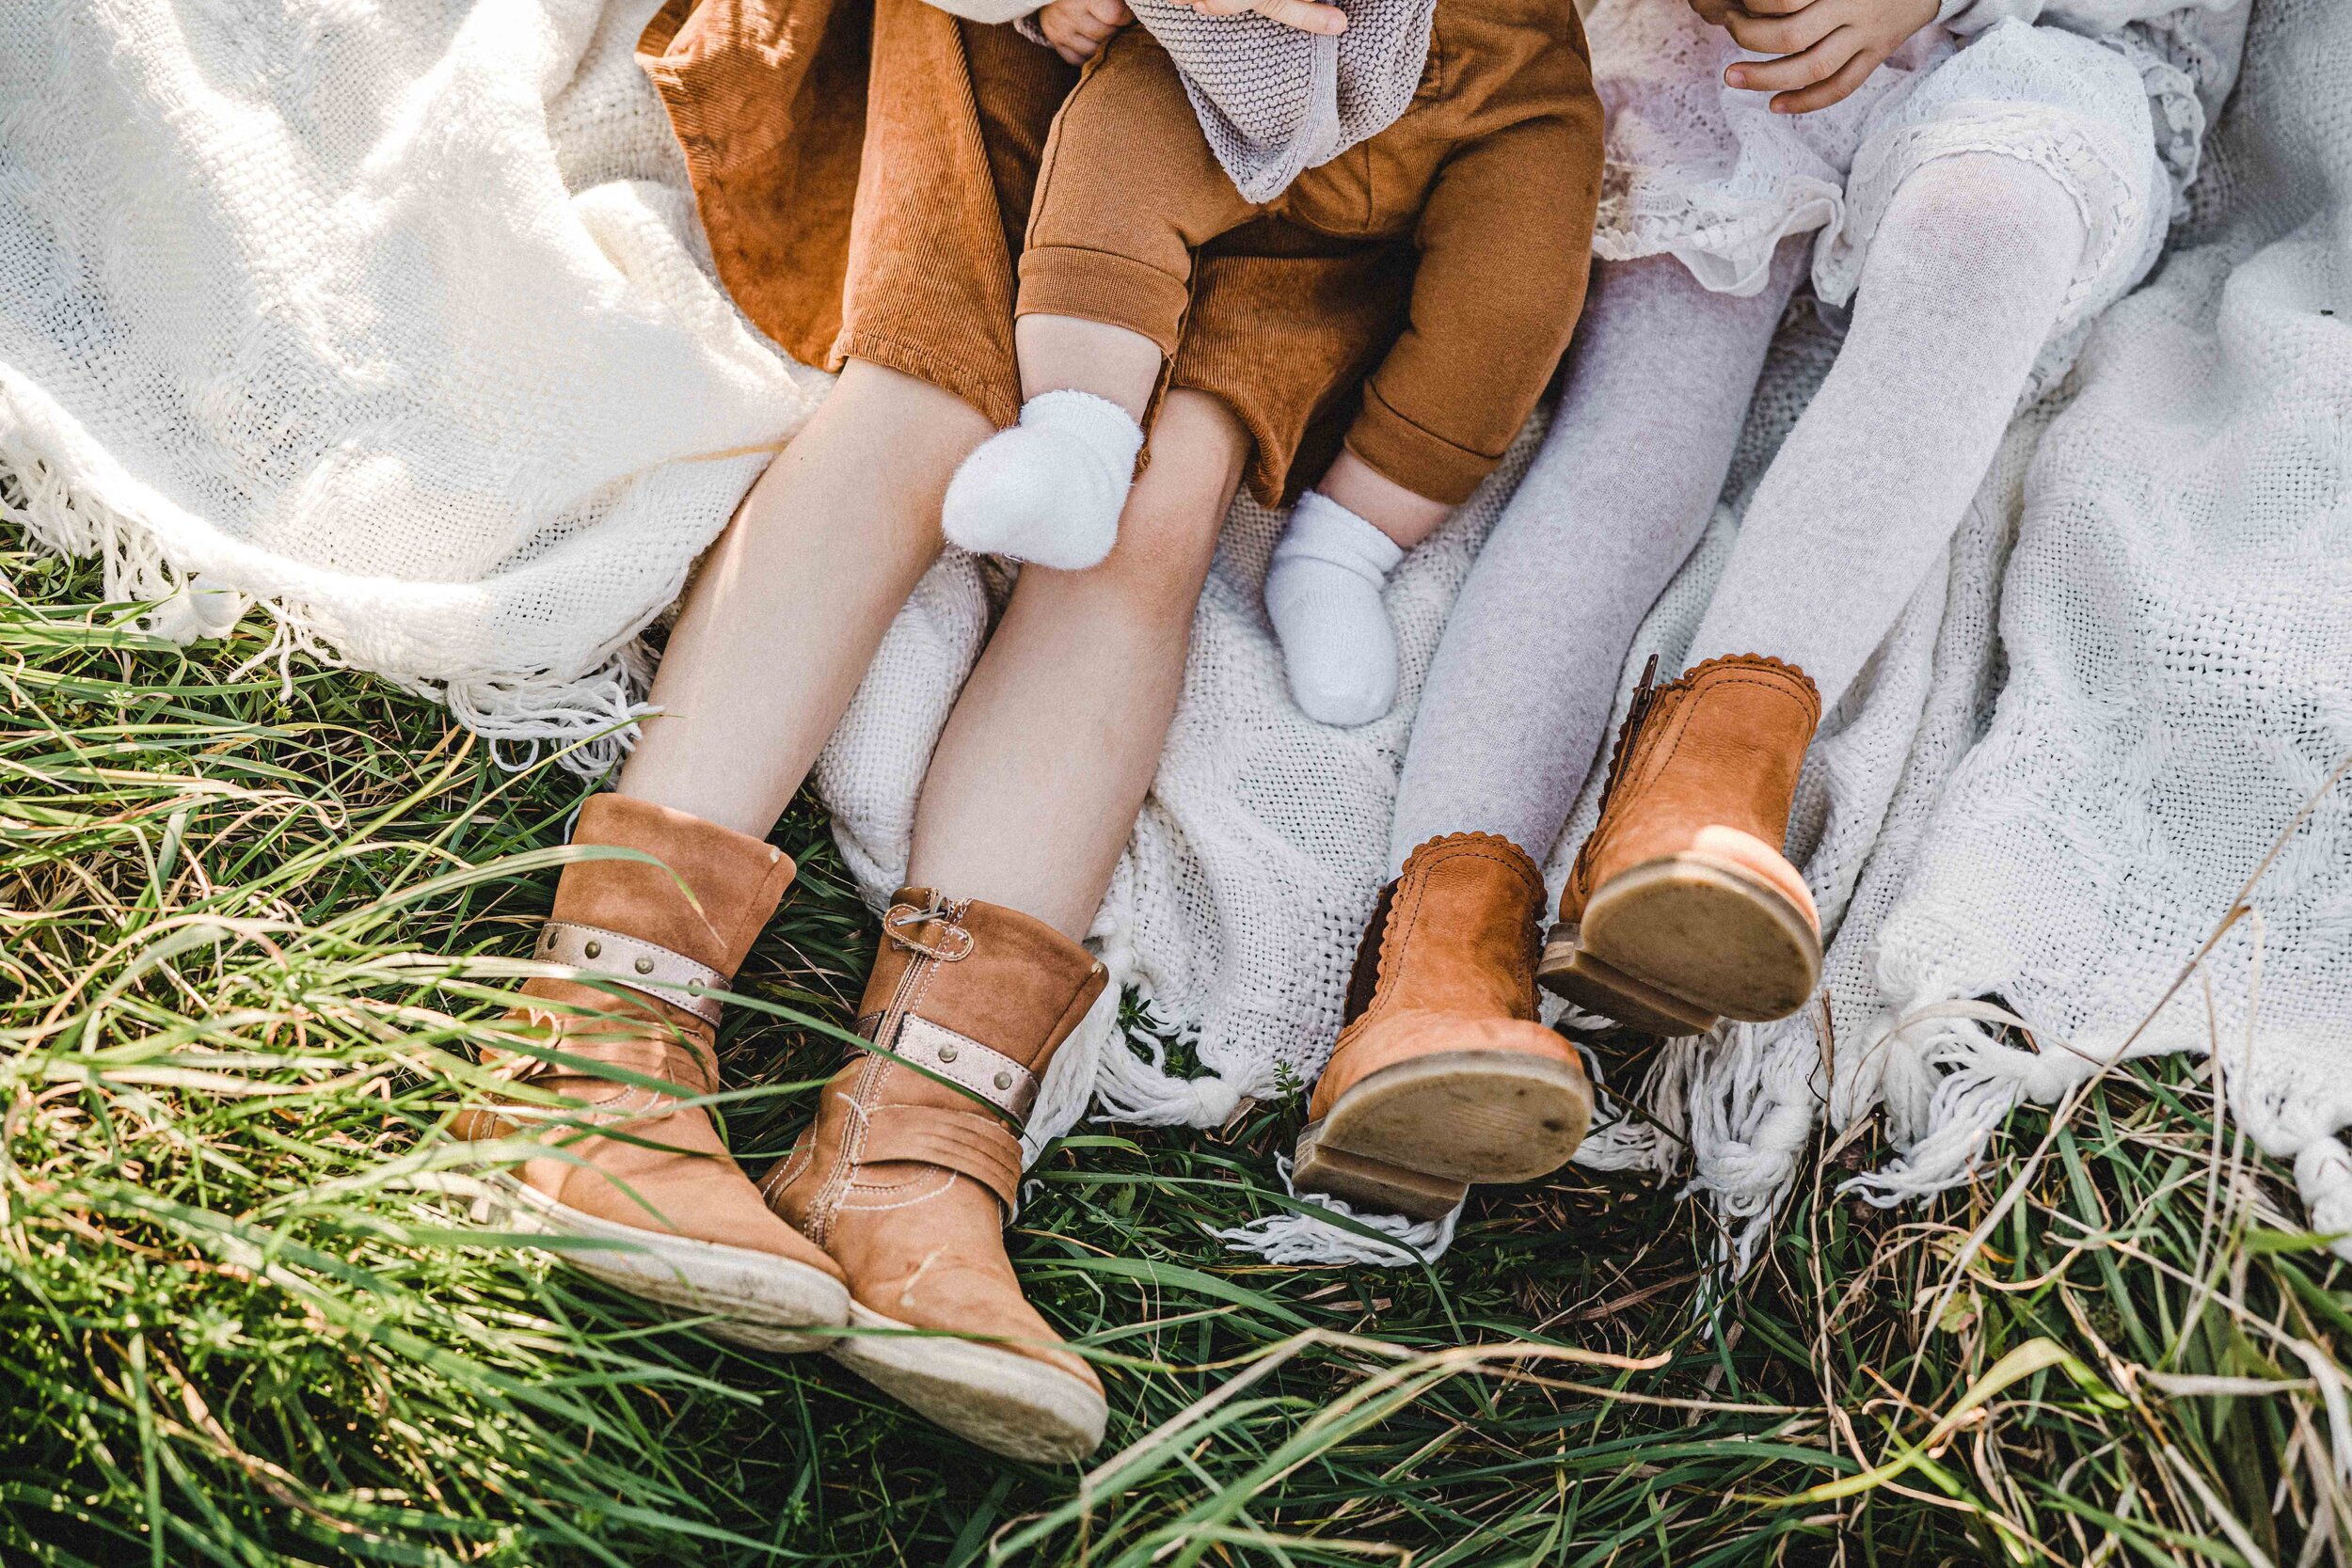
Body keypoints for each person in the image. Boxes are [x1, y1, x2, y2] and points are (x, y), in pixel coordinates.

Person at [459, 0, 1414, 1465]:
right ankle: (597, 1031)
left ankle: (912, 1146)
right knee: (930, 390)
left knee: (1159, 510)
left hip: (1330, 130)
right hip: (1009, 41)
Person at [1293, 0, 2252, 1217]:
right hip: (1744, 58)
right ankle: (1437, 953)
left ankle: (1707, 793)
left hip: (2051, 35)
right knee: (1633, 440)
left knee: (1990, 216)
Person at [936, 0, 1604, 734]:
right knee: (1120, 145)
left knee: (1518, 293)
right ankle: (1077, 436)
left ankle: (1347, 546)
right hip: (1237, 58)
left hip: (1500, 84)